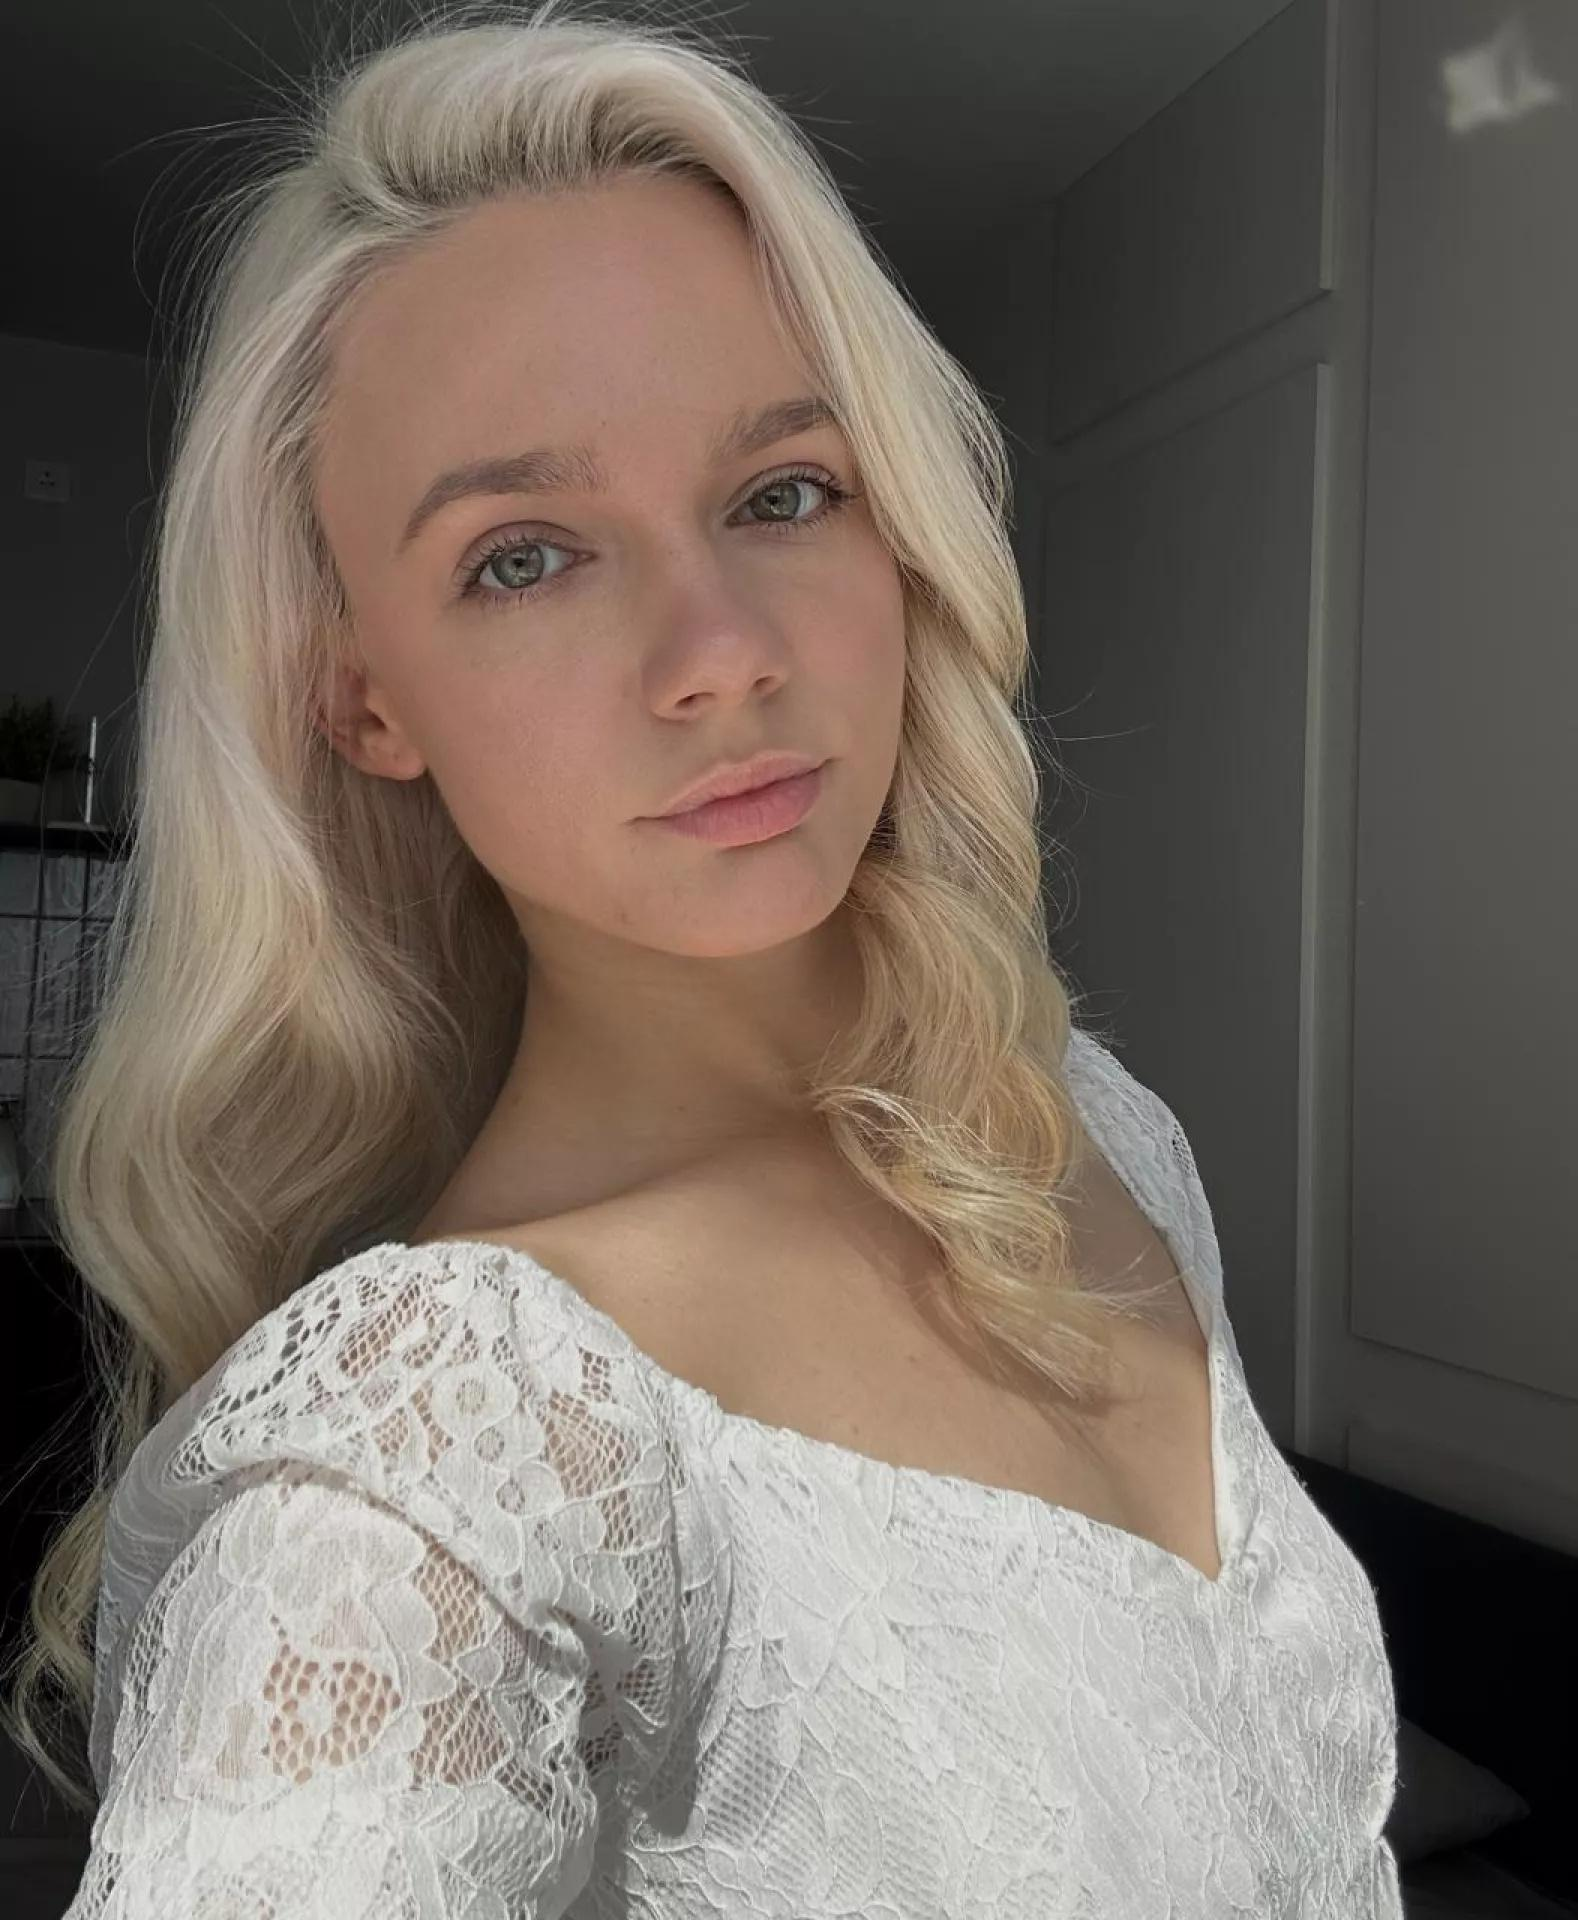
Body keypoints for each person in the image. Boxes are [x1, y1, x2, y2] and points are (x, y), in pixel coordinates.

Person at [4, 4, 1404, 1914]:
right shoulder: (420, 1462)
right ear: (359, 694)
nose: (722, 652)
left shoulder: (1083, 1127)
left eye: (782, 493)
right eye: (523, 553)